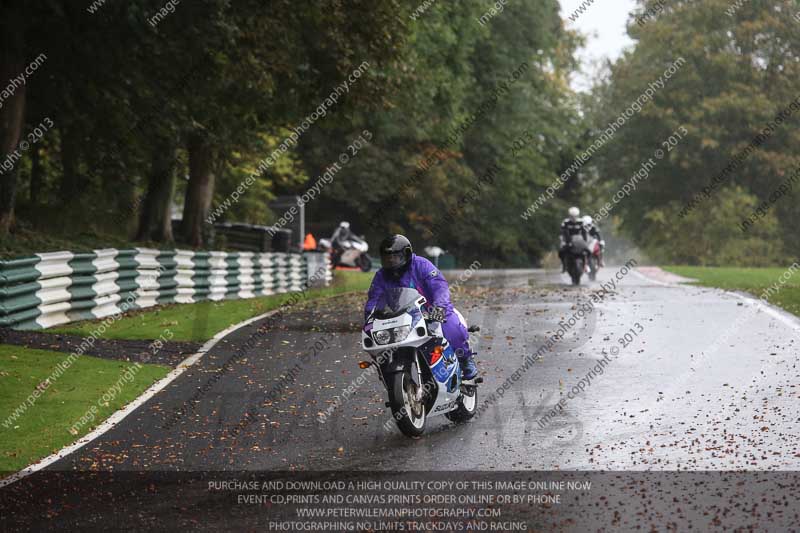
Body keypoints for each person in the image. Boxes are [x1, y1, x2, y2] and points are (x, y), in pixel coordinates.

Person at [364, 234, 478, 380]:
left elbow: (439, 286)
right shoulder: (381, 275)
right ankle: (387, 371)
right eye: (387, 257)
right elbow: (374, 298)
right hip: (402, 317)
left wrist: (439, 306)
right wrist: (370, 317)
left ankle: (465, 360)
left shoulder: (421, 265)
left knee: (452, 329)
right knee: (378, 340)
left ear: (406, 254)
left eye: (395, 256)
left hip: (432, 311)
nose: (391, 260)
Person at [559, 206, 587, 273]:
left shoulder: (581, 222)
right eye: (572, 216)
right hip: (568, 241)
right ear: (569, 216)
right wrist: (565, 241)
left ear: (578, 215)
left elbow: (584, 232)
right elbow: (563, 232)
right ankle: (564, 265)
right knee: (561, 252)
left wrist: (585, 241)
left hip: (578, 241)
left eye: (575, 216)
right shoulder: (565, 222)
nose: (574, 218)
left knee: (587, 251)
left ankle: (586, 266)